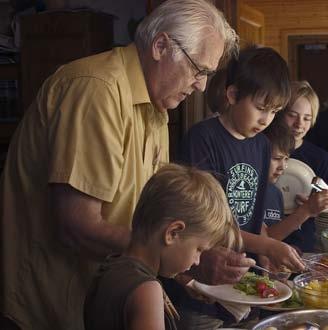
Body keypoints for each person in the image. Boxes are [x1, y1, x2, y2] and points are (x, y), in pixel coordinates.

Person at [0, 1, 238, 329]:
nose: (201, 87)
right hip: (50, 304)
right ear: (160, 46)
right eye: (199, 70)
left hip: (98, 299)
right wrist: (187, 260)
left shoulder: (156, 110)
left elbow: (154, 219)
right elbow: (76, 226)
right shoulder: (96, 89)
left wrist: (187, 267)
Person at [171, 46, 305, 329]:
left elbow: (254, 219)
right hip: (203, 288)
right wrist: (268, 245)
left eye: (274, 112)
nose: (266, 120)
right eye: (260, 108)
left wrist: (266, 253)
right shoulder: (202, 139)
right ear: (232, 96)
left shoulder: (261, 145)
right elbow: (207, 225)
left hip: (245, 284)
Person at [84, 163, 242, 330]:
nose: (197, 261)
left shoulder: (110, 268)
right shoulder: (146, 291)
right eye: (199, 250)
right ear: (172, 233)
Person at [274, 80, 328, 251]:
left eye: (307, 118)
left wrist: (318, 204)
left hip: (303, 240)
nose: (299, 124)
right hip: (266, 235)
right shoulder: (264, 148)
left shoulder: (320, 158)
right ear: (279, 113)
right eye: (292, 115)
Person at [262, 119, 328, 252]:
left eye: (286, 159)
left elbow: (275, 236)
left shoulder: (275, 192)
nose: (282, 167)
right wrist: (306, 210)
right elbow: (265, 239)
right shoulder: (252, 192)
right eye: (277, 159)